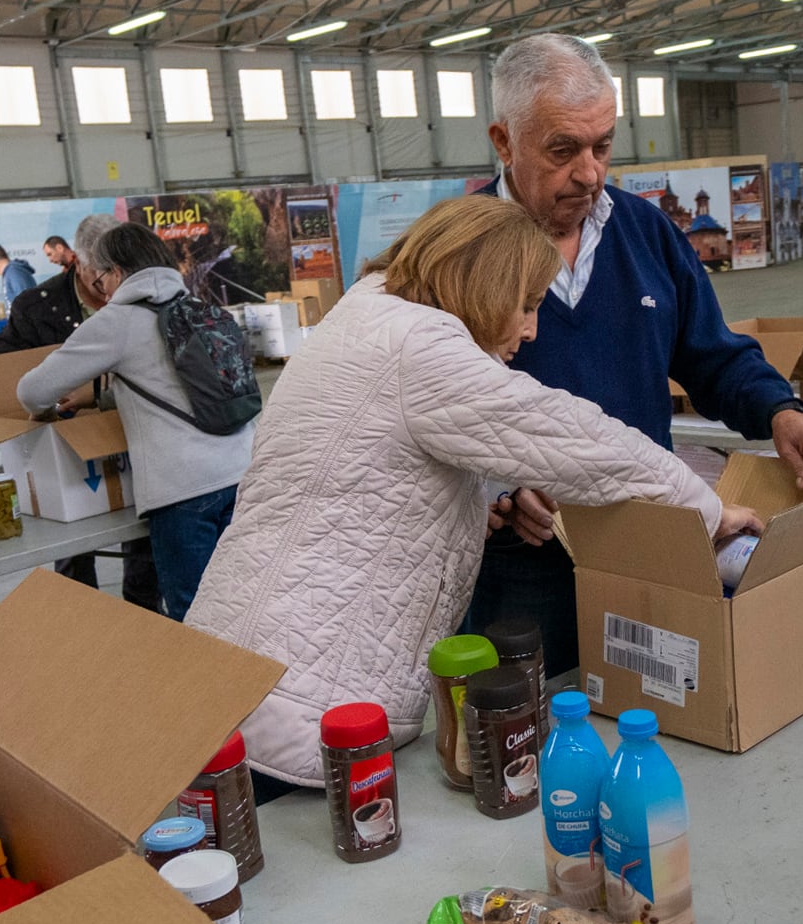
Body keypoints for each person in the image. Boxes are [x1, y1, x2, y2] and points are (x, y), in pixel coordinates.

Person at [185, 197, 761, 787]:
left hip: (240, 670)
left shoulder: (365, 316)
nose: (531, 328)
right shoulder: (422, 346)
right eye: (528, 304)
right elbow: (580, 440)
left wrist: (486, 491)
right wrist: (708, 509)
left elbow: (362, 471)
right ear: (485, 286)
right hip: (302, 701)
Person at [463, 35, 803, 673]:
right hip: (521, 570)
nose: (588, 172)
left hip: (650, 546)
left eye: (602, 145)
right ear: (503, 141)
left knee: (653, 717)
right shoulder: (458, 253)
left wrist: (781, 410)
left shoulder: (646, 234)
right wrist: (498, 486)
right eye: (563, 150)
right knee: (527, 745)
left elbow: (713, 356)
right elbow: (419, 412)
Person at [12, 221, 249, 619]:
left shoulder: (116, 322)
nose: (101, 291)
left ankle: (213, 682)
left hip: (184, 492)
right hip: (241, 472)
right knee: (239, 603)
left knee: (196, 617)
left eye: (101, 280)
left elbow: (31, 391)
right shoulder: (201, 307)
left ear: (117, 273)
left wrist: (48, 410)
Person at [0, 228, 89, 353]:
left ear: (60, 247)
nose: (50, 260)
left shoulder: (80, 267)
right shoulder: (65, 274)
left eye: (50, 254)